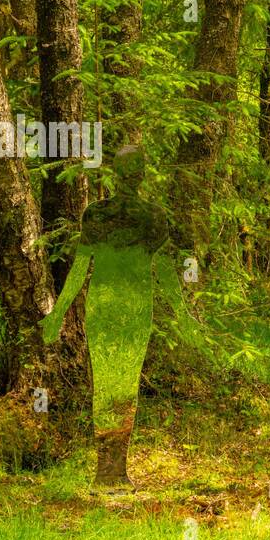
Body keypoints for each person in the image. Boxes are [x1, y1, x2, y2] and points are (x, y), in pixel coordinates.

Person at [42, 144, 193, 485]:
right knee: (122, 385)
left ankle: (110, 472)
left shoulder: (108, 214)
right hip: (125, 305)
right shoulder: (128, 215)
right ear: (137, 175)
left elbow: (82, 268)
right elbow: (165, 271)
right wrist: (58, 314)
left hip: (119, 304)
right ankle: (110, 472)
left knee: (112, 385)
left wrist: (59, 312)